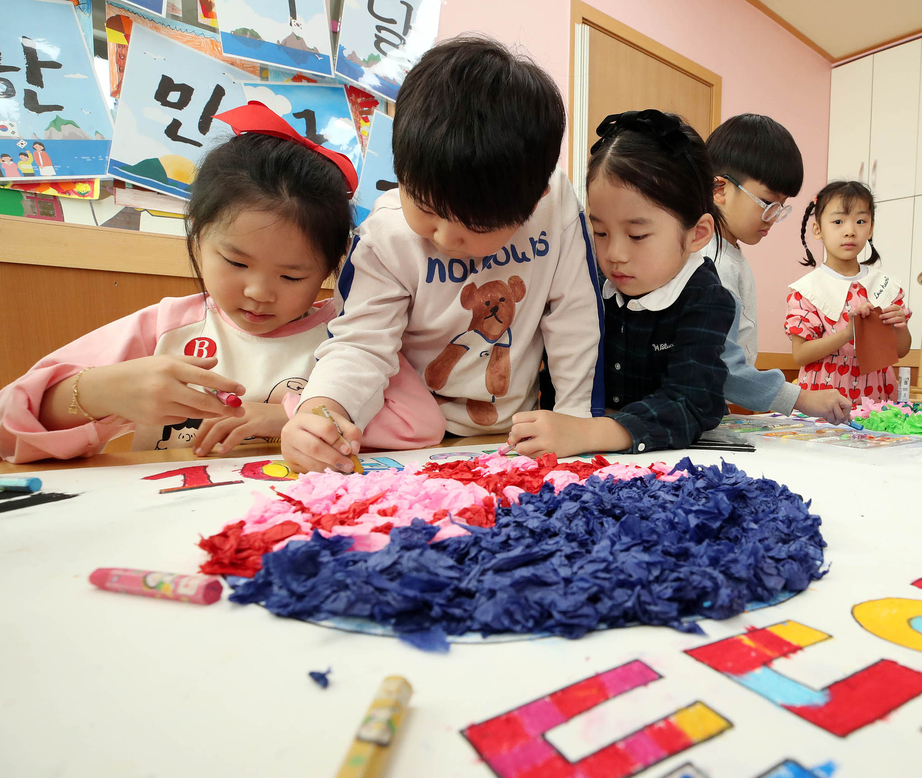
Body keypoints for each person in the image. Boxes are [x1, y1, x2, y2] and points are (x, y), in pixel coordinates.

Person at [0, 102, 443, 464]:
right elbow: (7, 423)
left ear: (332, 268)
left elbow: (420, 423)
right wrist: (99, 393)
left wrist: (282, 417)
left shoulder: (345, 339)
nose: (259, 292)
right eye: (235, 261)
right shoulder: (168, 328)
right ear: (197, 236)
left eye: (292, 275)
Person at [283, 35, 602, 472]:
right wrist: (322, 411)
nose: (446, 239)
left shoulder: (556, 208)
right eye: (427, 209)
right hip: (402, 436)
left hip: (510, 437)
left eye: (476, 227)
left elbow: (576, 323)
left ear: (535, 200)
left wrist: (576, 421)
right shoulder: (386, 235)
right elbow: (360, 343)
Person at [507, 110, 735, 456]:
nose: (615, 254)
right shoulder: (590, 282)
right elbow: (564, 371)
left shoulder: (705, 297)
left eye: (637, 235)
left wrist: (591, 432)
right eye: (599, 232)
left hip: (667, 461)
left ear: (697, 234)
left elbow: (693, 402)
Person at [703, 114, 851, 424]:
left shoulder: (729, 253)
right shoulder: (710, 260)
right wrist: (800, 397)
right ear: (720, 189)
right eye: (768, 203)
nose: (773, 217)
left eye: (781, 207)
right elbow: (717, 363)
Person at [785, 181, 910, 401]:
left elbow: (900, 351)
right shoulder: (807, 290)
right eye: (838, 221)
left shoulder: (885, 286)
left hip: (876, 402)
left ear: (871, 228)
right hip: (823, 402)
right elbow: (800, 355)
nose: (850, 231)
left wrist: (900, 327)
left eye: (860, 221)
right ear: (817, 229)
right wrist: (846, 334)